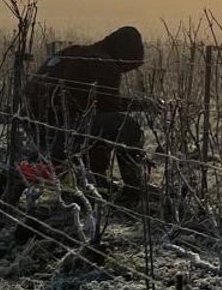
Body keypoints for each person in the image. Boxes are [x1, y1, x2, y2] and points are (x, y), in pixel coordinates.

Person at [24, 25, 150, 190]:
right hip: (63, 129)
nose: (126, 71)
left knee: (97, 123)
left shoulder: (74, 52)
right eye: (129, 65)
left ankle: (90, 178)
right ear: (124, 53)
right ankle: (133, 190)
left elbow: (93, 101)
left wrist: (140, 104)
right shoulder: (105, 64)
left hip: (35, 123)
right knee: (126, 126)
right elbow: (108, 113)